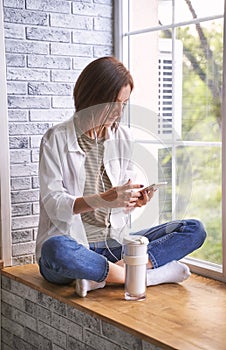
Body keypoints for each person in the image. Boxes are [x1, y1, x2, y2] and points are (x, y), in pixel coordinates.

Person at [36, 56, 206, 297]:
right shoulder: (55, 139)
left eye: (124, 103)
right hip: (75, 246)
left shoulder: (123, 137)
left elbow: (119, 204)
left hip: (114, 245)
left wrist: (133, 200)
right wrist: (101, 199)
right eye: (113, 103)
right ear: (92, 98)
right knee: (54, 249)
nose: (119, 111)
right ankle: (141, 276)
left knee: (193, 229)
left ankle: (103, 276)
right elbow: (54, 203)